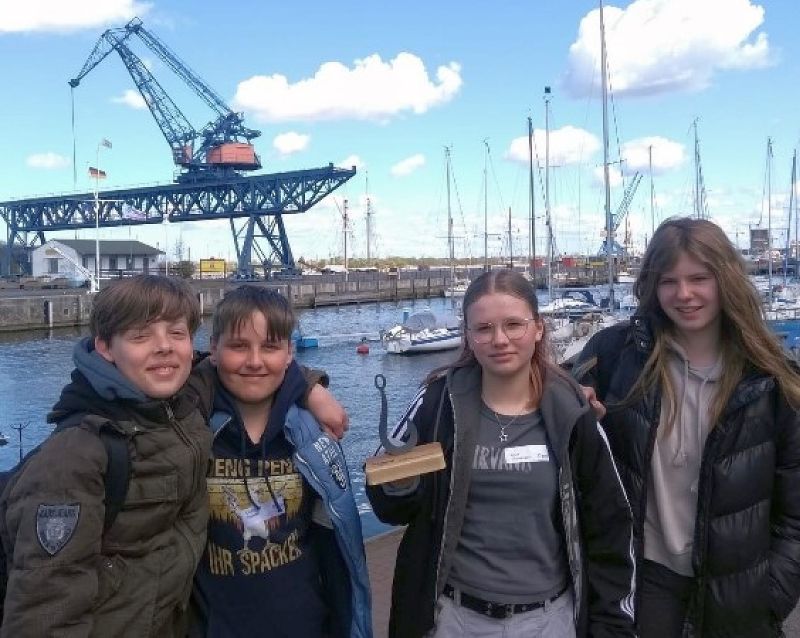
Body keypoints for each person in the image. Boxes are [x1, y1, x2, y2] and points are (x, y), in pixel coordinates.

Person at [367, 269, 636, 638]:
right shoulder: (436, 403)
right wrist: (400, 484)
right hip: (453, 619)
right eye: (484, 328)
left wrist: (611, 625)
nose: (500, 340)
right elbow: (387, 505)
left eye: (514, 324)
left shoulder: (572, 412)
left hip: (548, 621)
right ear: (468, 335)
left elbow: (610, 527)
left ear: (538, 328)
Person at [574, 217, 800, 637]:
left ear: (727, 280)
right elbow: (541, 416)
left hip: (741, 596)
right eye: (669, 281)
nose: (684, 294)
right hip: (646, 586)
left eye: (699, 278)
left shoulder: (774, 380)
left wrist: (771, 597)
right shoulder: (614, 357)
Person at [0, 275, 213, 637]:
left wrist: (308, 388)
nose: (164, 347)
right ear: (105, 347)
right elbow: (44, 612)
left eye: (177, 334)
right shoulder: (74, 457)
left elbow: (244, 367)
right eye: (140, 335)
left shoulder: (179, 408)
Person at [190, 286, 371, 638]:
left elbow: (334, 541)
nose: (255, 361)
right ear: (213, 349)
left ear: (290, 353)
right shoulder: (190, 425)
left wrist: (310, 386)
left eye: (270, 347)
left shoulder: (311, 430)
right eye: (238, 346)